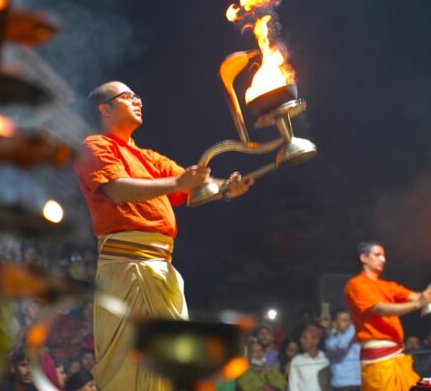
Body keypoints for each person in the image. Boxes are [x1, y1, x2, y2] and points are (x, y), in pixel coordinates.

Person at [73, 80, 253, 391]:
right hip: (128, 266)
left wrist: (225, 188)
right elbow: (117, 190)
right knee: (130, 363)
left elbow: (192, 188)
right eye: (127, 96)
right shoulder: (95, 146)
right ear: (105, 109)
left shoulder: (149, 158)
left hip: (161, 267)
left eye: (137, 95)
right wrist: (177, 185)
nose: (138, 100)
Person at [344, 241, 431, 391]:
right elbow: (380, 309)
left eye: (383, 255)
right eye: (377, 255)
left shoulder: (387, 286)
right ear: (364, 258)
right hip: (378, 361)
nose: (383, 259)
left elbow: (416, 296)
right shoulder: (356, 284)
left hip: (397, 355)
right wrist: (419, 304)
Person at [325, 310, 361, 391]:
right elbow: (342, 345)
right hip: (342, 385)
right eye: (344, 321)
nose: (348, 323)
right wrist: (355, 324)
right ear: (334, 324)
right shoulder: (331, 342)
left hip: (359, 383)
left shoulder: (356, 339)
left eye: (349, 320)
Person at [288, 324, 331, 391]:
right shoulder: (297, 360)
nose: (301, 341)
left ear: (315, 340)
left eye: (305, 338)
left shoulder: (326, 359)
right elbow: (293, 386)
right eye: (301, 337)